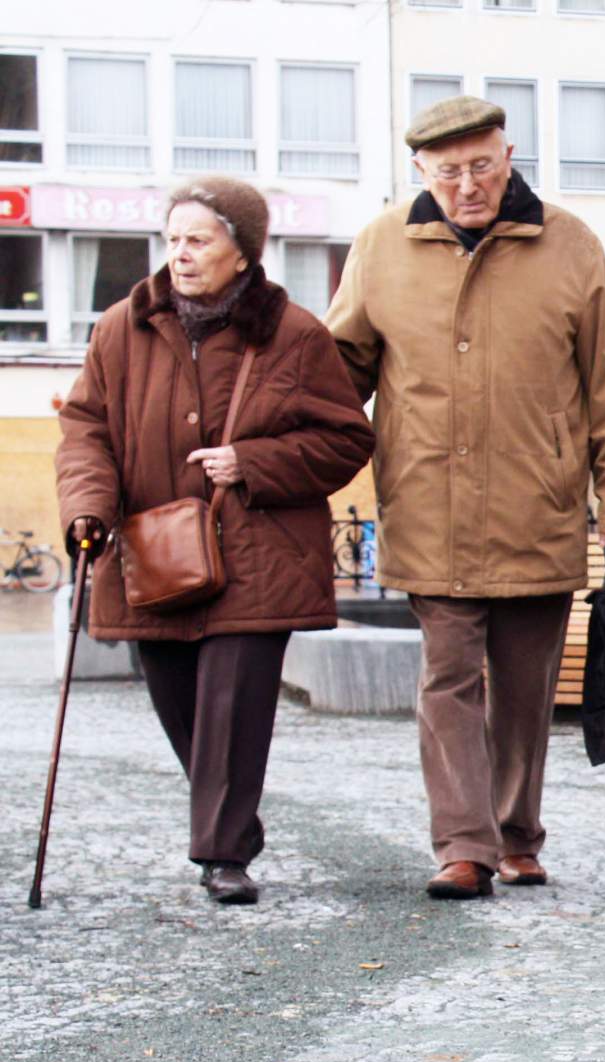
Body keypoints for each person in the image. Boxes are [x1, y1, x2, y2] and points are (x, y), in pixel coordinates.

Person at [326, 96, 605, 900]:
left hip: (536, 505)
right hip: (427, 503)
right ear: (420, 173)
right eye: (448, 172)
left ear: (508, 157)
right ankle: (462, 846)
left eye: (481, 166)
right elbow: (338, 377)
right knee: (448, 680)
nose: (467, 185)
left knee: (525, 687)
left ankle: (517, 834)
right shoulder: (380, 247)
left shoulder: (571, 246)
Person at [54, 178, 376, 905]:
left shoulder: (294, 334)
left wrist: (253, 463)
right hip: (151, 552)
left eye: (199, 240)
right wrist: (87, 508)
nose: (181, 255)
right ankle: (231, 821)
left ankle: (222, 855)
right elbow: (86, 430)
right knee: (181, 710)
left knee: (232, 705)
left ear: (243, 252)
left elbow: (347, 437)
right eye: (172, 240)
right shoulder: (119, 329)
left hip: (257, 556)